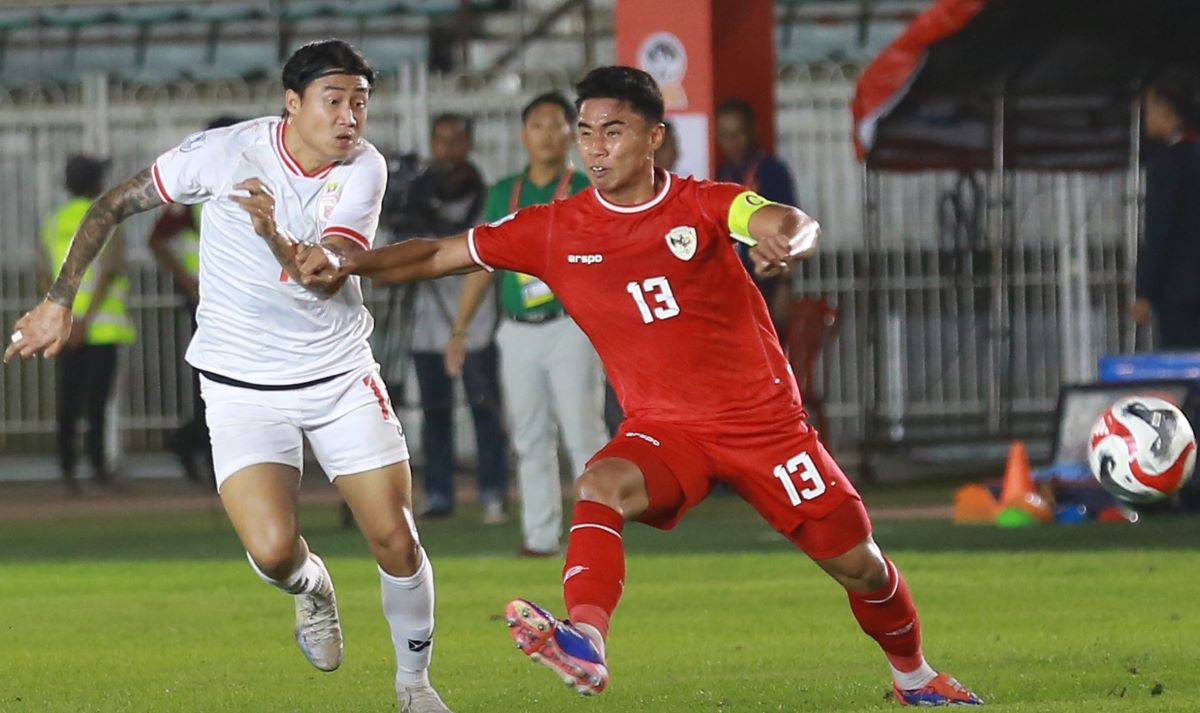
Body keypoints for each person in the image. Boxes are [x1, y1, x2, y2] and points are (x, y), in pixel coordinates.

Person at [289, 66, 983, 707]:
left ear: (654, 137)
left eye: (613, 131)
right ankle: (586, 641)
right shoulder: (554, 228)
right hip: (665, 428)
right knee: (600, 484)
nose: (595, 148)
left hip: (764, 427)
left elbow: (785, 221)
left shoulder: (703, 204)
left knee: (861, 565)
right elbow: (443, 252)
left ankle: (914, 675)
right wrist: (350, 263)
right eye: (586, 132)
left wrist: (786, 242)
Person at [7, 39, 454, 713]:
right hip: (241, 386)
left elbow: (324, 274)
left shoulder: (363, 167)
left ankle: (415, 687)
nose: (349, 117)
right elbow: (112, 205)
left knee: (395, 535)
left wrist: (271, 231)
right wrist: (58, 300)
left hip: (337, 376)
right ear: (292, 102)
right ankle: (312, 588)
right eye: (334, 100)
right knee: (273, 551)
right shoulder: (223, 152)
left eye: (360, 103)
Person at [444, 92, 606, 556]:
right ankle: (540, 537)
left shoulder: (585, 189)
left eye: (557, 125)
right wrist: (460, 330)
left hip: (571, 325)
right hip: (516, 329)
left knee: (583, 434)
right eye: (538, 126)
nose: (547, 135)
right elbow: (481, 265)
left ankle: (598, 533)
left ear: (571, 135)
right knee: (529, 437)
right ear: (523, 136)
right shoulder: (504, 193)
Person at [400, 112, 508, 522]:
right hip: (426, 319)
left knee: (485, 409)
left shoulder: (486, 196)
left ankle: (493, 492)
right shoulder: (416, 195)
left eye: (455, 139)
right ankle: (438, 496)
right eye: (440, 140)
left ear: (469, 144)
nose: (447, 149)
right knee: (435, 412)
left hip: (476, 320)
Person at [149, 115, 242, 487]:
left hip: (245, 300)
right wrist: (187, 281)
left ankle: (195, 444)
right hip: (210, 302)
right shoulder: (198, 185)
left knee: (240, 383)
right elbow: (157, 239)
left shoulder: (258, 181)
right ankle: (203, 449)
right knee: (216, 381)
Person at [37, 154, 135, 495]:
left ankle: (67, 469)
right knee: (97, 403)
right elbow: (108, 273)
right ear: (96, 183)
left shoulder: (53, 221)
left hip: (62, 329)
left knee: (68, 400)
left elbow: (42, 273)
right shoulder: (106, 219)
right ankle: (98, 468)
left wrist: (60, 314)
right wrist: (85, 319)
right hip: (102, 327)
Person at [715, 97, 798, 332]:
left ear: (753, 131)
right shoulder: (721, 173)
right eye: (725, 135)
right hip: (731, 286)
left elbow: (788, 227)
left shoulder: (772, 171)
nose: (732, 142)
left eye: (738, 133)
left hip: (766, 279)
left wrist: (785, 285)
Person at [1130, 71, 1200, 349]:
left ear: (1166, 110)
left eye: (1148, 110)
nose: (1145, 118)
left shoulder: (1168, 163)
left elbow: (1160, 229)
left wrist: (1144, 292)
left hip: (1179, 292)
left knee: (1182, 364)